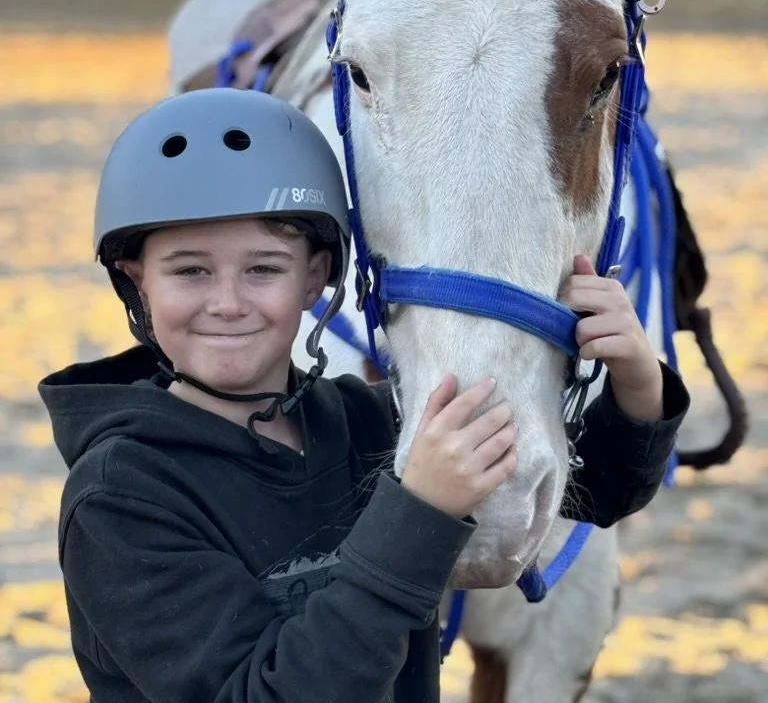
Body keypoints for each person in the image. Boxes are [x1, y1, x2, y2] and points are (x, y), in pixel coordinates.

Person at [40, 88, 689, 703]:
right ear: (137, 284)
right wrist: (418, 512)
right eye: (190, 270)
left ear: (316, 277)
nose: (228, 302)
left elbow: (595, 489)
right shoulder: (121, 494)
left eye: (263, 268)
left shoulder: (365, 424)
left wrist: (635, 380)